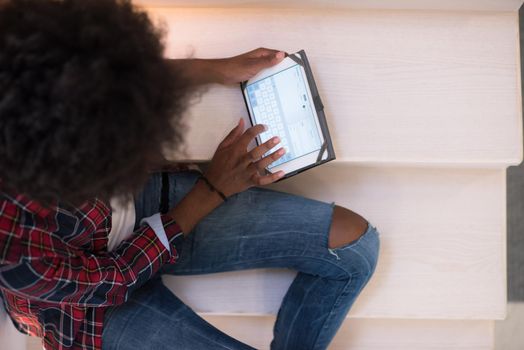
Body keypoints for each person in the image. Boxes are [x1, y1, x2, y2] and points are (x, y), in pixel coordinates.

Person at [0, 0, 380, 349]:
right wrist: (212, 190)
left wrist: (213, 69)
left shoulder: (23, 59)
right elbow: (114, 280)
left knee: (351, 247)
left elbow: (105, 74)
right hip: (83, 308)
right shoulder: (12, 249)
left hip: (126, 208)